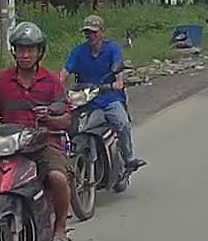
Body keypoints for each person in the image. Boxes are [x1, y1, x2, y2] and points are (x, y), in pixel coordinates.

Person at [0, 22, 73, 241]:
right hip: (10, 145)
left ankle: (60, 227)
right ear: (14, 51)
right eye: (21, 49)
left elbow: (66, 119)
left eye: (30, 49)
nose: (25, 55)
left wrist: (49, 118)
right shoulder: (2, 80)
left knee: (57, 178)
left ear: (39, 52)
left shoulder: (52, 81)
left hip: (44, 144)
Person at [60, 15, 146, 174]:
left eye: (94, 32)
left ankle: (128, 158)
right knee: (68, 126)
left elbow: (118, 72)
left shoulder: (113, 49)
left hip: (109, 98)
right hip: (86, 100)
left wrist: (116, 83)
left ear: (102, 32)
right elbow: (65, 71)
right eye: (88, 33)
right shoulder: (79, 51)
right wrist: (57, 87)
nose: (91, 36)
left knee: (122, 123)